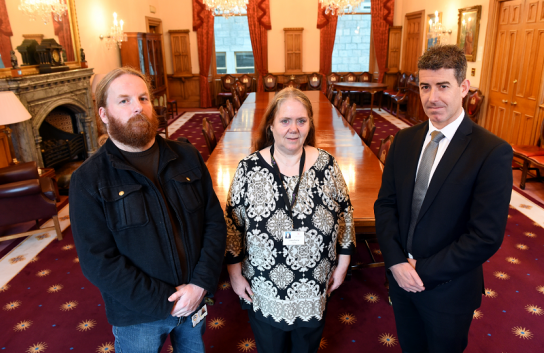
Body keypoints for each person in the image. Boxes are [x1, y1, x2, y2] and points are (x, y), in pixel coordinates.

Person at [70, 67, 226, 353]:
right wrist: (166, 301)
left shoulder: (187, 155)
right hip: (138, 315)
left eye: (143, 98)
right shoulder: (88, 180)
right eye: (124, 100)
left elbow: (214, 223)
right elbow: (98, 262)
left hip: (194, 299)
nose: (137, 107)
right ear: (104, 114)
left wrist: (200, 285)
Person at [374, 45, 512, 353]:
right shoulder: (405, 141)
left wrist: (419, 271)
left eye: (443, 86)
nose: (432, 97)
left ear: (463, 87)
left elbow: (485, 236)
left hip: (447, 289)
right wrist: (396, 262)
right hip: (400, 278)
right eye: (425, 86)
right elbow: (385, 205)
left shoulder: (490, 152)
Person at [224, 88, 355, 353]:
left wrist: (343, 264)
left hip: (314, 286)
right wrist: (235, 275)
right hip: (265, 286)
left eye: (301, 121)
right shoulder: (248, 169)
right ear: (271, 125)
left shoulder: (327, 165)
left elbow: (346, 216)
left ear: (309, 124)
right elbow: (232, 226)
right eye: (285, 121)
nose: (293, 128)